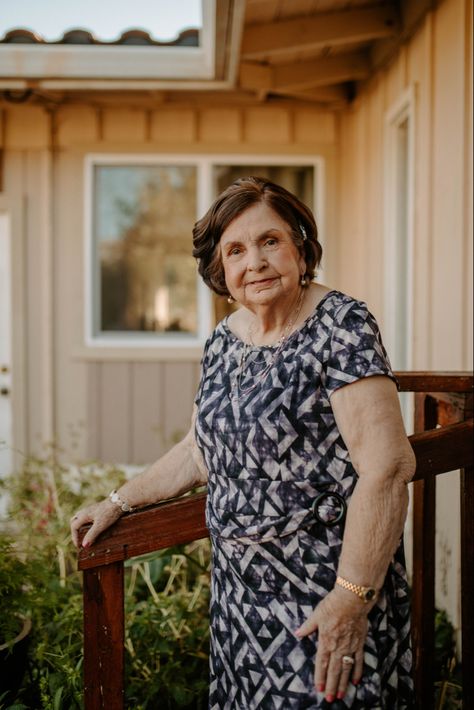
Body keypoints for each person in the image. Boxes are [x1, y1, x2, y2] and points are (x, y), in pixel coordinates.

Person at [71, 177, 415, 709]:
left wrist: (351, 600)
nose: (255, 261)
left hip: (326, 592)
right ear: (222, 273)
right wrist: (118, 502)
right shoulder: (225, 341)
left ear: (301, 249)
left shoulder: (342, 326)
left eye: (270, 241)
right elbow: (198, 449)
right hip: (241, 602)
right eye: (236, 250)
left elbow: (387, 468)